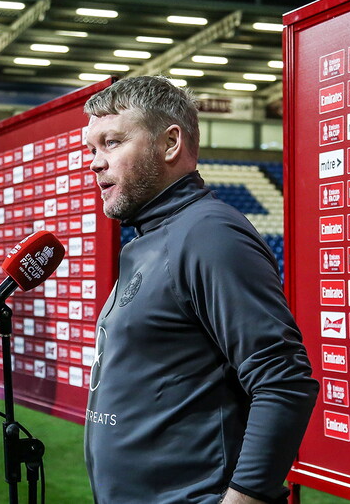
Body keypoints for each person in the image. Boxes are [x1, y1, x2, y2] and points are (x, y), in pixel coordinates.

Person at [82, 76, 318, 504]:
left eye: (111, 143)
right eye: (92, 149)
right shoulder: (148, 240)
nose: (96, 163)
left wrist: (245, 497)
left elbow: (283, 379)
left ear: (170, 143)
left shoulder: (209, 234)